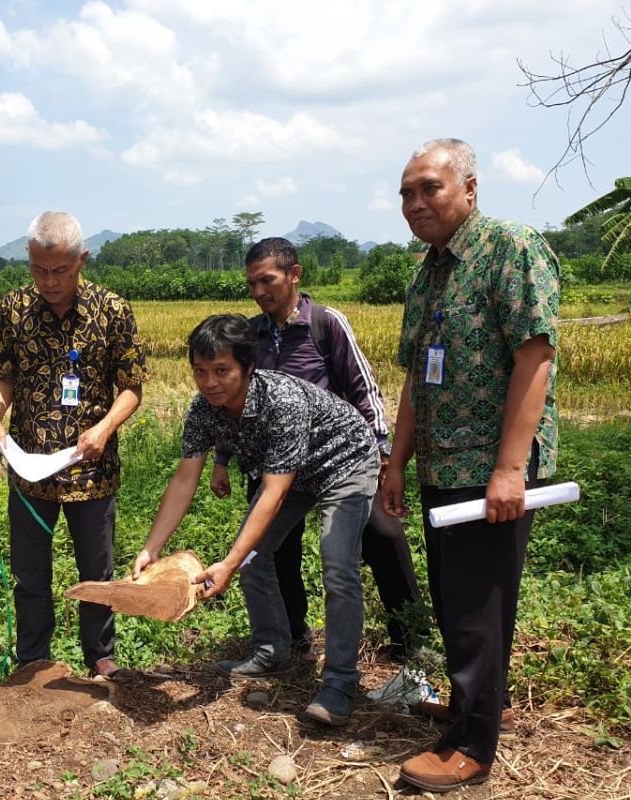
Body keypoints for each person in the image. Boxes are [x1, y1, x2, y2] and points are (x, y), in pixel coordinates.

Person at [381, 138, 559, 792]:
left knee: (479, 609)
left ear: (470, 189)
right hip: (440, 467)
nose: (415, 202)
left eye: (429, 187)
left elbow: (534, 358)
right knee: (457, 601)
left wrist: (511, 470)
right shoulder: (426, 272)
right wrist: (396, 462)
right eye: (406, 192)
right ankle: (468, 705)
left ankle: (471, 747)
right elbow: (413, 380)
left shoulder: (509, 249)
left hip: (490, 471)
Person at [133, 314, 380, 725]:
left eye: (222, 371)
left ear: (249, 367)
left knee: (337, 565)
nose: (209, 382)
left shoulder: (281, 400)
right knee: (254, 559)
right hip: (290, 474)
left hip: (344, 463)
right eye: (200, 371)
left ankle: (339, 681)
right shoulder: (203, 410)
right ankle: (273, 651)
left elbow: (273, 492)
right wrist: (150, 547)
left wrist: (228, 562)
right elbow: (183, 480)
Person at [210, 237, 422, 660]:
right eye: (251, 283)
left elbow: (365, 391)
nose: (258, 291)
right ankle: (291, 637)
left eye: (266, 280)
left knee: (382, 534)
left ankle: (410, 638)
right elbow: (234, 399)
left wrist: (382, 456)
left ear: (294, 274)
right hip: (277, 466)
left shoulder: (326, 324)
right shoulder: (249, 335)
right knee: (269, 550)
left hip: (338, 460)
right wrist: (222, 459)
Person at [0, 210, 149, 678]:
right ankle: (33, 661)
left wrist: (104, 429)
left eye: (59, 270)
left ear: (82, 260)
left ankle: (101, 657)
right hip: (30, 467)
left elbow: (132, 386)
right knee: (30, 574)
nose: (48, 281)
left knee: (95, 572)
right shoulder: (15, 307)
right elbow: (3, 375)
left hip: (89, 468)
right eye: (38, 269)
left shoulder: (112, 310)